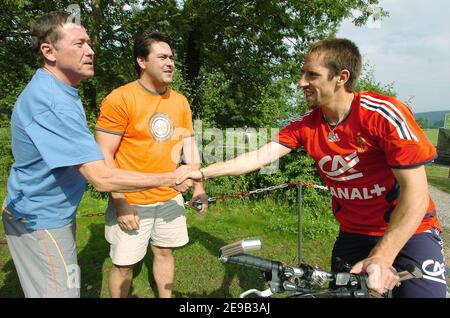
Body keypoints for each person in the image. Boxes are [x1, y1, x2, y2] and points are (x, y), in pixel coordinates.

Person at [177, 38, 447, 298]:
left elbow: (417, 193)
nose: (301, 83)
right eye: (302, 74)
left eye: (311, 75)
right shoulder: (306, 125)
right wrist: (200, 173)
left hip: (412, 231)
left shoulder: (383, 114)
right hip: (353, 233)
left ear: (341, 77)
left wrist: (382, 256)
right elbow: (256, 158)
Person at [1, 11, 193, 298]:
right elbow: (101, 177)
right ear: (48, 51)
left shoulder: (62, 90)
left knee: (68, 285)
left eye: (89, 43)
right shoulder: (52, 100)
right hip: (39, 218)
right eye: (79, 44)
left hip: (52, 213)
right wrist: (171, 177)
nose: (90, 51)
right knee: (62, 293)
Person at [95, 31, 208, 298]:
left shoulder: (180, 102)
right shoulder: (120, 98)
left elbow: (189, 146)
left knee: (164, 251)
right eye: (162, 57)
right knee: (124, 265)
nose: (170, 63)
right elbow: (104, 155)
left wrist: (199, 187)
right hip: (131, 200)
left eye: (172, 57)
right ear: (142, 61)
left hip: (170, 198)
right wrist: (120, 201)